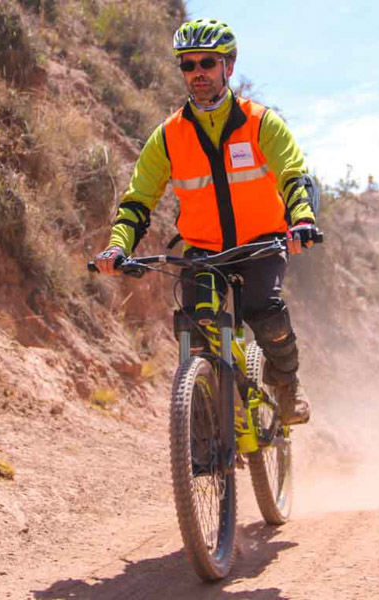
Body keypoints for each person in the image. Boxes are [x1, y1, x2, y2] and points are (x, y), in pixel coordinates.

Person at [93, 18, 319, 425]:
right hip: (204, 251)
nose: (197, 72)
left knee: (265, 311)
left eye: (207, 63)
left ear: (228, 67)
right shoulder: (168, 136)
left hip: (261, 243)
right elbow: (138, 201)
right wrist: (117, 246)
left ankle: (286, 383)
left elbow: (293, 175)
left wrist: (301, 219)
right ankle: (203, 433)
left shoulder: (261, 123)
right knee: (196, 326)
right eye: (187, 64)